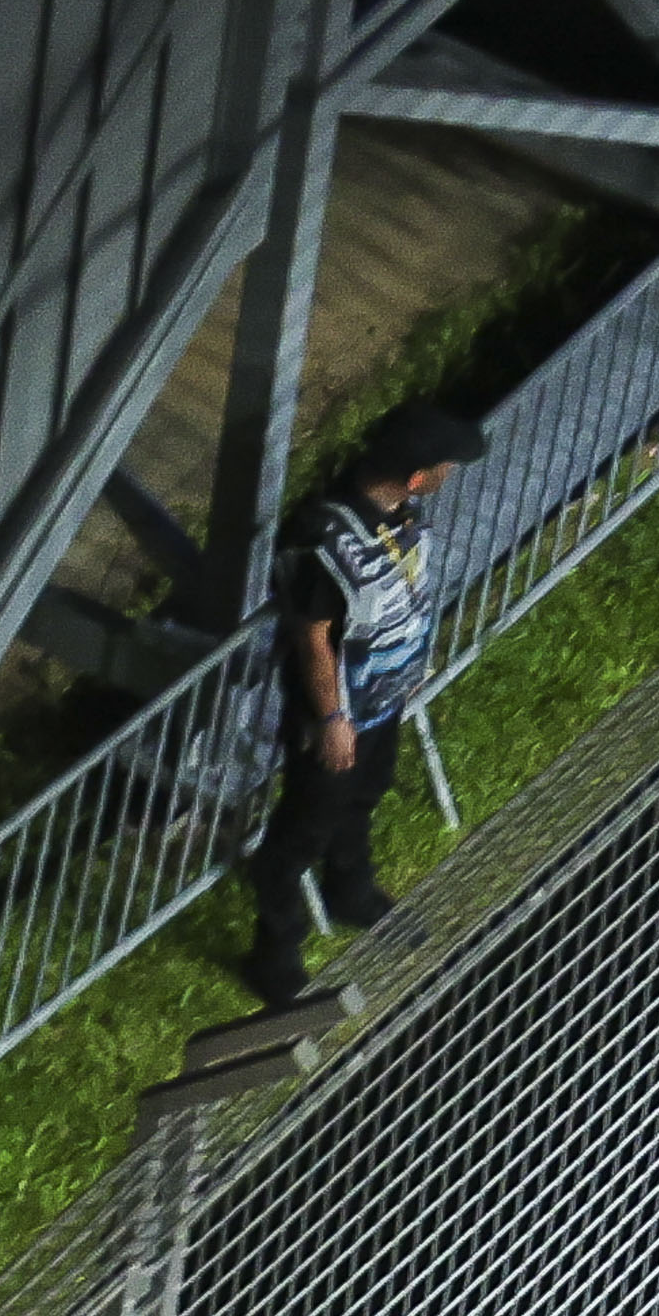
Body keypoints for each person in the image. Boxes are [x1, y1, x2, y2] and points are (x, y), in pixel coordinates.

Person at [240, 403, 481, 1002]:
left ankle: (351, 892)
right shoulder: (331, 539)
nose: (452, 472)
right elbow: (313, 639)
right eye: (447, 465)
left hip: (382, 698)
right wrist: (332, 720)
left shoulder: (399, 512)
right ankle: (274, 952)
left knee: (365, 795)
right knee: (301, 832)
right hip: (339, 717)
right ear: (419, 475)